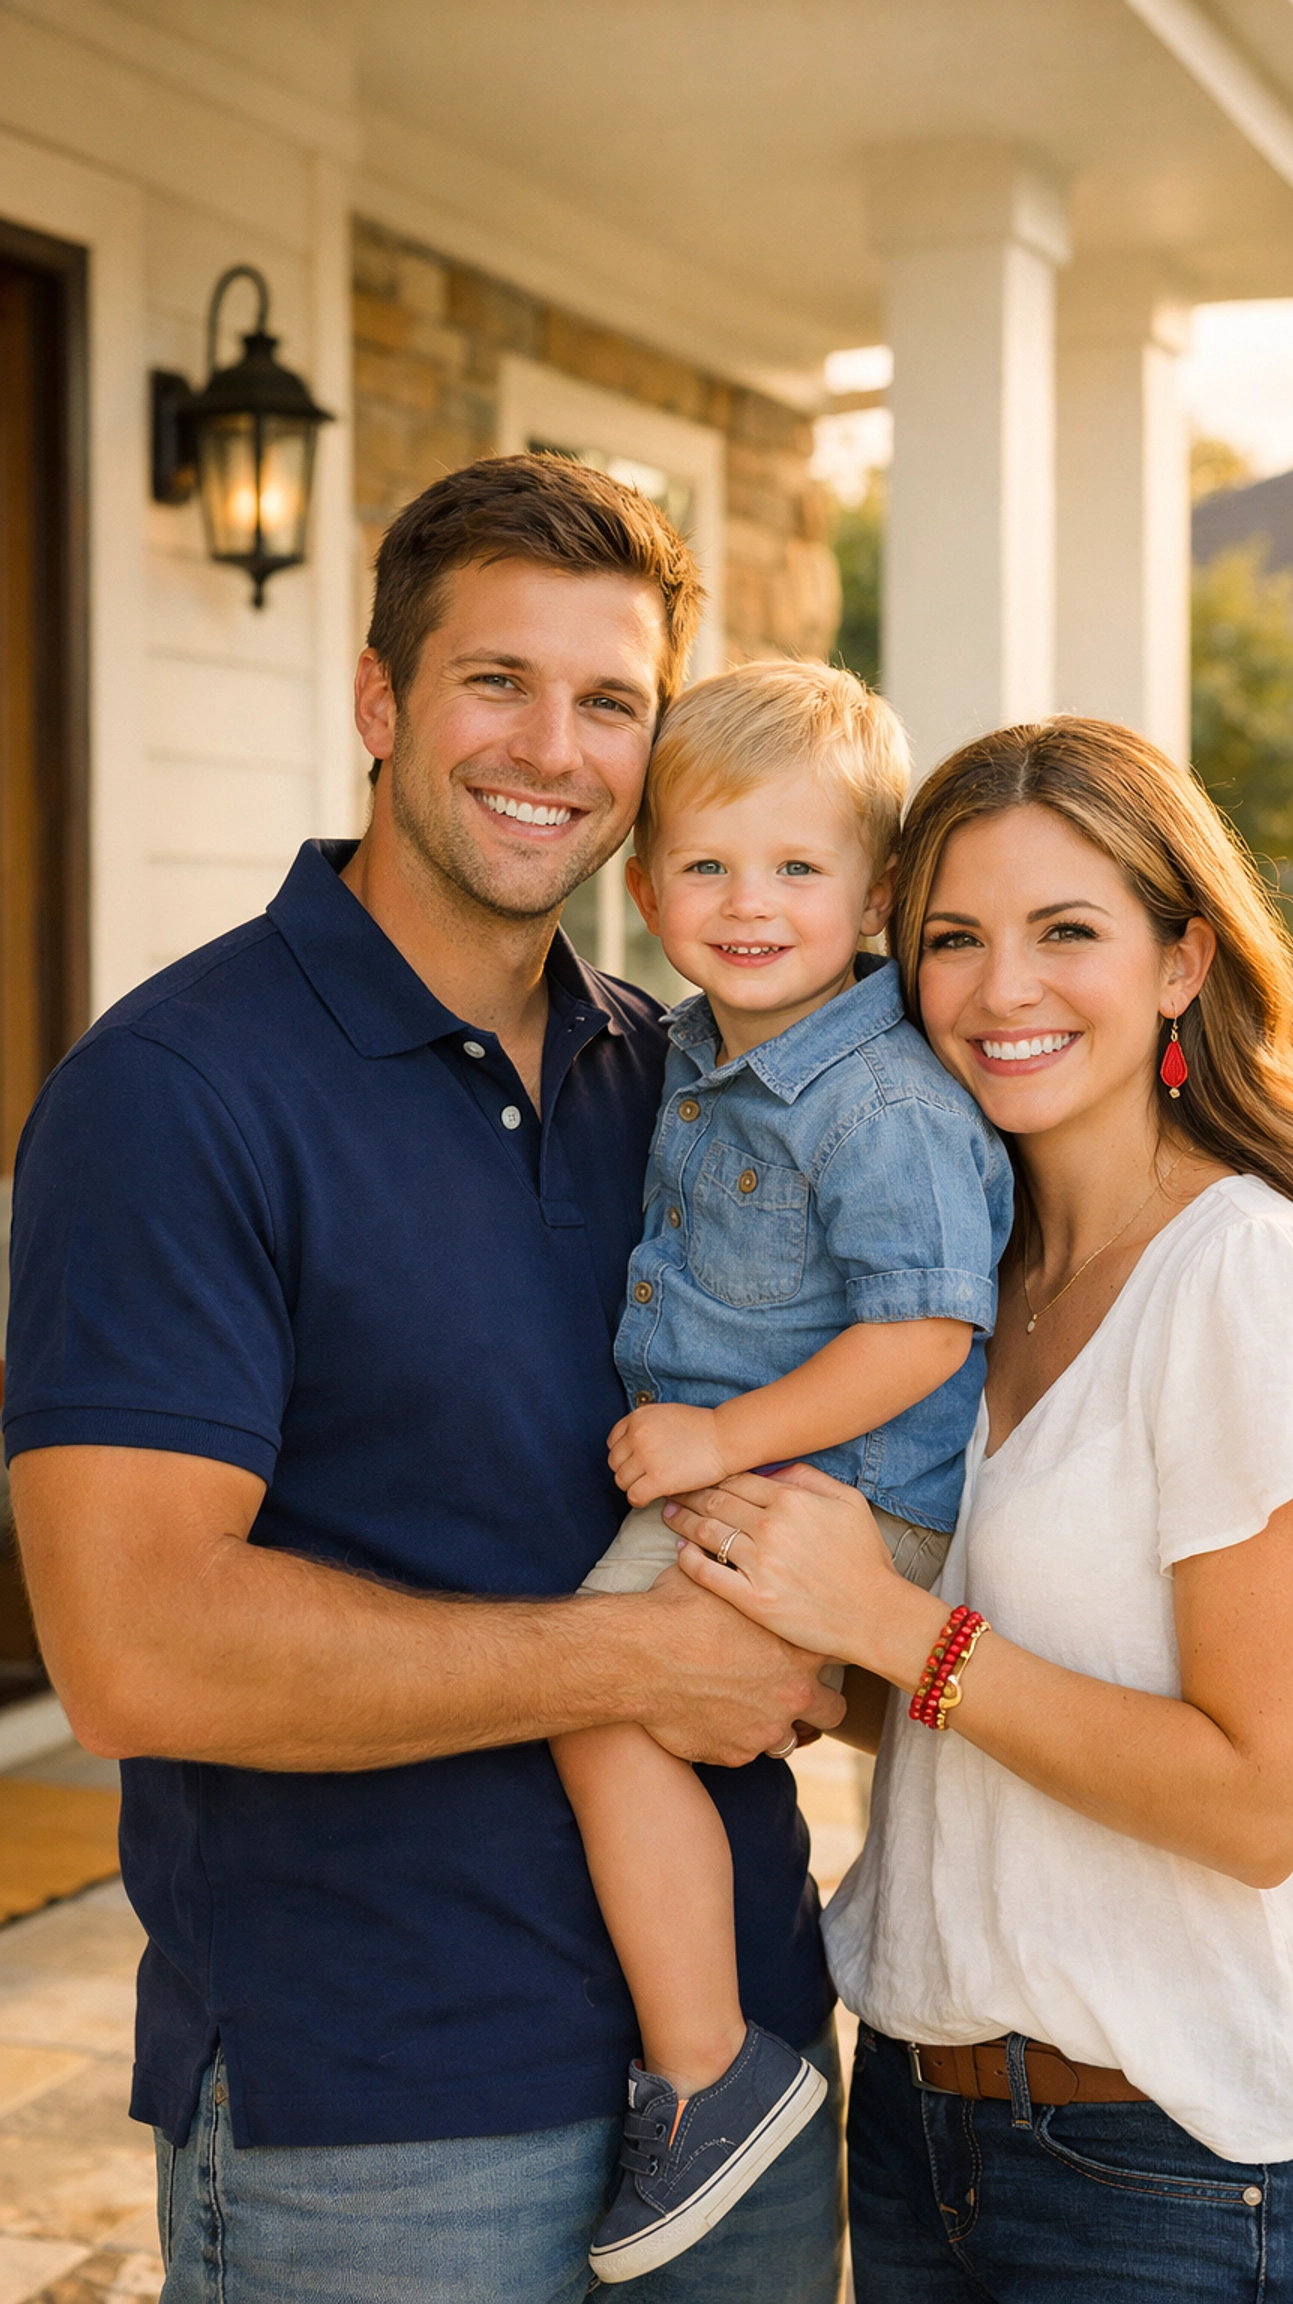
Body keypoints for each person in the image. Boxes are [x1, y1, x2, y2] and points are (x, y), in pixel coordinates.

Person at [4, 453, 849, 2304]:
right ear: (382, 702)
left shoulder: (697, 1091)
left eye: (609, 700)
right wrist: (640, 1660)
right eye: (496, 682)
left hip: (749, 2071)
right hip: (381, 2117)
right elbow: (134, 1643)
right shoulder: (177, 1095)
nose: (552, 745)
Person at [663, 716, 1293, 2304]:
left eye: (1066, 932)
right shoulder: (955, 1293)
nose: (1001, 989)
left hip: (1178, 2162)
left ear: (1181, 964)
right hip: (921, 2124)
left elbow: (1252, 1799)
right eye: (953, 938)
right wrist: (788, 1662)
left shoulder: (1242, 1278)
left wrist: (889, 1624)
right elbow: (990, 1706)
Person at [550, 661, 1013, 2283]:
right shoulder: (687, 1050)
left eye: (800, 869)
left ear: (879, 893)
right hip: (753, 1487)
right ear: (644, 877)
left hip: (839, 1501)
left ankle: (708, 2071)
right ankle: (715, 2049)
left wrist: (717, 1441)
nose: (751, 905)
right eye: (708, 866)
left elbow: (925, 1336)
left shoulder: (877, 1096)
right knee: (606, 1707)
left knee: (596, 1697)